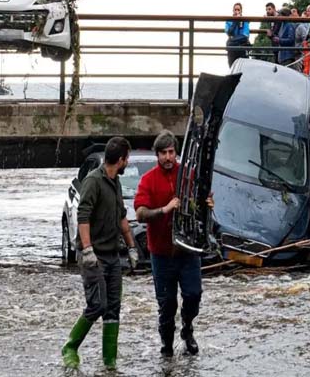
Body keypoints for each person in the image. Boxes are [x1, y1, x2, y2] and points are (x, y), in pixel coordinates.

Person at [61, 137, 139, 371]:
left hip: (113, 256)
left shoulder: (115, 182)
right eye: (128, 158)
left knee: (113, 308)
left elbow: (122, 217)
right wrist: (87, 250)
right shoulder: (93, 181)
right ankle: (70, 347)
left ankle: (109, 363)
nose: (128, 162)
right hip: (93, 256)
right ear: (122, 159)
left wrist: (132, 247)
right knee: (97, 305)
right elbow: (83, 216)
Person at [134, 131, 214, 358]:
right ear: (157, 155)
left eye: (171, 152)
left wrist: (208, 204)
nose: (168, 157)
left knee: (193, 294)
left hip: (187, 251)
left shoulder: (189, 175)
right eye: (163, 153)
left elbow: (202, 203)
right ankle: (167, 347)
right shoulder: (148, 180)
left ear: (176, 153)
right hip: (161, 253)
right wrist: (165, 209)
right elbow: (140, 213)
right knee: (166, 304)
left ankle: (188, 328)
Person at [224, 3, 250, 67]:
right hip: (233, 48)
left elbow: (245, 36)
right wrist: (235, 21)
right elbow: (229, 32)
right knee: (232, 66)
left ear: (241, 11)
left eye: (238, 10)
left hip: (241, 46)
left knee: (230, 43)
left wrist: (232, 39)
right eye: (235, 10)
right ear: (233, 11)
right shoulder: (229, 21)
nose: (237, 12)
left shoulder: (245, 21)